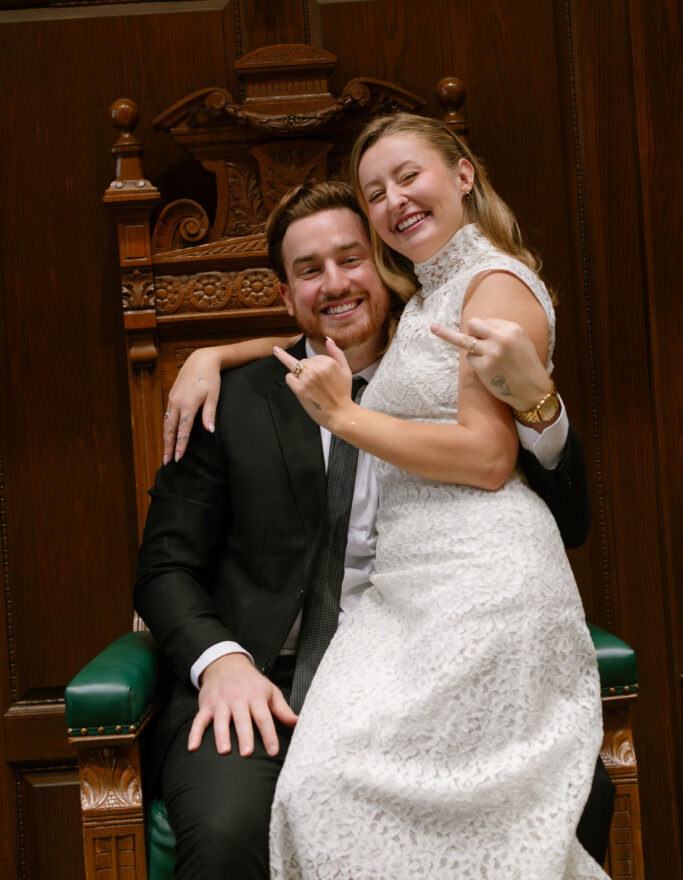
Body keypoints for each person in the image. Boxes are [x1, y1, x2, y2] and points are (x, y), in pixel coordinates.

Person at [138, 180, 609, 880]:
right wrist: (222, 663)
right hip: (263, 683)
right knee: (229, 831)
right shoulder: (226, 400)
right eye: (309, 270)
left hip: (422, 675)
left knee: (577, 797)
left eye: (350, 258)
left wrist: (540, 402)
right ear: (286, 294)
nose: (334, 283)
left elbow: (570, 522)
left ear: (384, 266)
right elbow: (164, 568)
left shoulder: (449, 381)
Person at [263, 117, 609, 879]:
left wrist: (343, 418)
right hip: (404, 591)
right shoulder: (422, 297)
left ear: (462, 174)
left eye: (408, 176)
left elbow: (487, 458)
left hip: (480, 577)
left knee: (441, 814)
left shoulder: (493, 283)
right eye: (374, 192)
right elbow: (332, 323)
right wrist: (210, 355)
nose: (393, 200)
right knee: (314, 790)